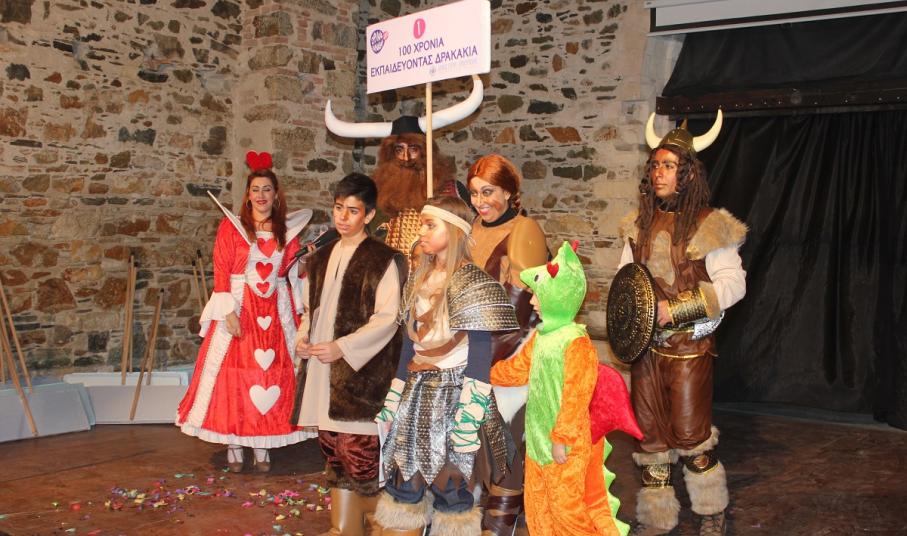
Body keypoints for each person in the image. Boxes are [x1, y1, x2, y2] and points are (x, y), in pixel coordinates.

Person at [619, 111, 746, 536]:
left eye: (668, 166)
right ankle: (657, 517)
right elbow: (626, 281)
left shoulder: (711, 225)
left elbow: (733, 285)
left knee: (692, 437)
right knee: (651, 437)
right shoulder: (637, 224)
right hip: (646, 350)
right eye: (655, 165)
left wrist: (676, 309)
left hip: (689, 348)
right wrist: (631, 319)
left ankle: (711, 511)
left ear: (688, 174)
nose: (658, 173)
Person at [373, 197, 518, 536]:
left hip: (453, 396)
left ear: (453, 231)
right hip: (415, 394)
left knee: (450, 485)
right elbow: (408, 346)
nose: (421, 232)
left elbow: (480, 355)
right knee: (403, 481)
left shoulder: (473, 283)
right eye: (422, 224)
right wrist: (395, 394)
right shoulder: (417, 279)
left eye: (430, 225)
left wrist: (469, 416)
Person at [491, 241, 642, 536]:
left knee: (567, 513)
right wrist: (484, 374)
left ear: (558, 296)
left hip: (564, 447)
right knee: (538, 509)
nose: (532, 300)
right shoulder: (542, 336)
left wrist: (561, 439)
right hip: (537, 443)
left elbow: (576, 396)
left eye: (538, 293)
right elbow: (517, 369)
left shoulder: (576, 342)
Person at [176, 151, 314, 473]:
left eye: (267, 189)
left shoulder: (286, 232)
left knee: (268, 375)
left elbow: (292, 273)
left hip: (275, 311)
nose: (261, 195)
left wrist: (305, 263)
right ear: (247, 195)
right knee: (235, 377)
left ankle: (262, 444)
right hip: (240, 307)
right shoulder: (231, 227)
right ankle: (234, 442)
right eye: (256, 190)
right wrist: (228, 313)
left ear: (276, 195)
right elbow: (222, 269)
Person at [290, 173, 405, 536]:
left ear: (369, 215)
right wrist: (303, 338)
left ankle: (385, 526)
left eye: (352, 211)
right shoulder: (321, 257)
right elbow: (310, 310)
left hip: (361, 378)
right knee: (334, 454)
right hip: (322, 373)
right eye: (339, 208)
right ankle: (343, 528)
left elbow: (387, 319)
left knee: (360, 454)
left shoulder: (383, 259)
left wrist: (343, 347)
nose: (342, 217)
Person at [466, 154, 548, 535]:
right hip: (469, 351)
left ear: (510, 193)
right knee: (475, 445)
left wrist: (480, 355)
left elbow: (516, 312)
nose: (480, 201)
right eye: (474, 193)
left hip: (508, 356)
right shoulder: (469, 229)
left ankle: (498, 525)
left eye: (488, 192)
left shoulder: (523, 232)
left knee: (505, 448)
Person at [324, 75, 484, 261]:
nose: (406, 158)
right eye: (399, 150)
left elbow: (470, 237)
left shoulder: (451, 190)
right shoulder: (378, 196)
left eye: (413, 149)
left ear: (425, 152)